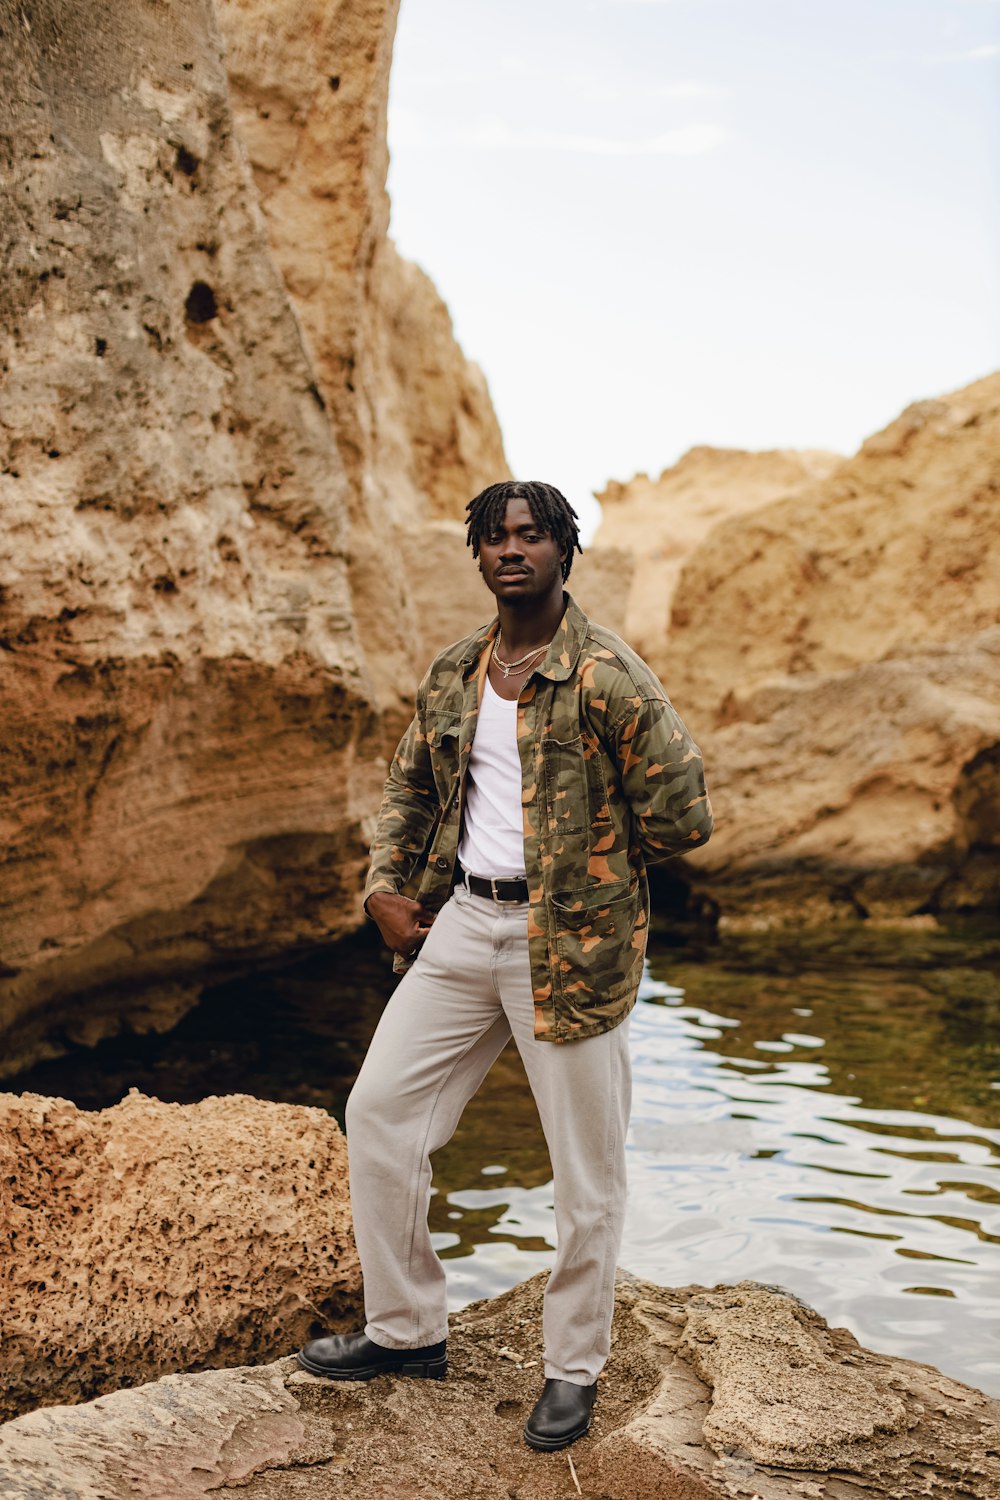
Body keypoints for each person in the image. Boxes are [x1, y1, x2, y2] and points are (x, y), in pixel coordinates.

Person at [297, 480, 713, 1451]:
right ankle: (407, 1330)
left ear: (565, 551)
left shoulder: (608, 675)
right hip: (459, 928)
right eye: (495, 538)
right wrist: (381, 888)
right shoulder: (455, 672)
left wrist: (593, 865)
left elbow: (683, 813)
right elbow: (409, 788)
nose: (512, 550)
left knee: (584, 1173)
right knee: (382, 1116)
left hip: (565, 949)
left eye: (531, 535)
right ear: (478, 557)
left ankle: (571, 1370)